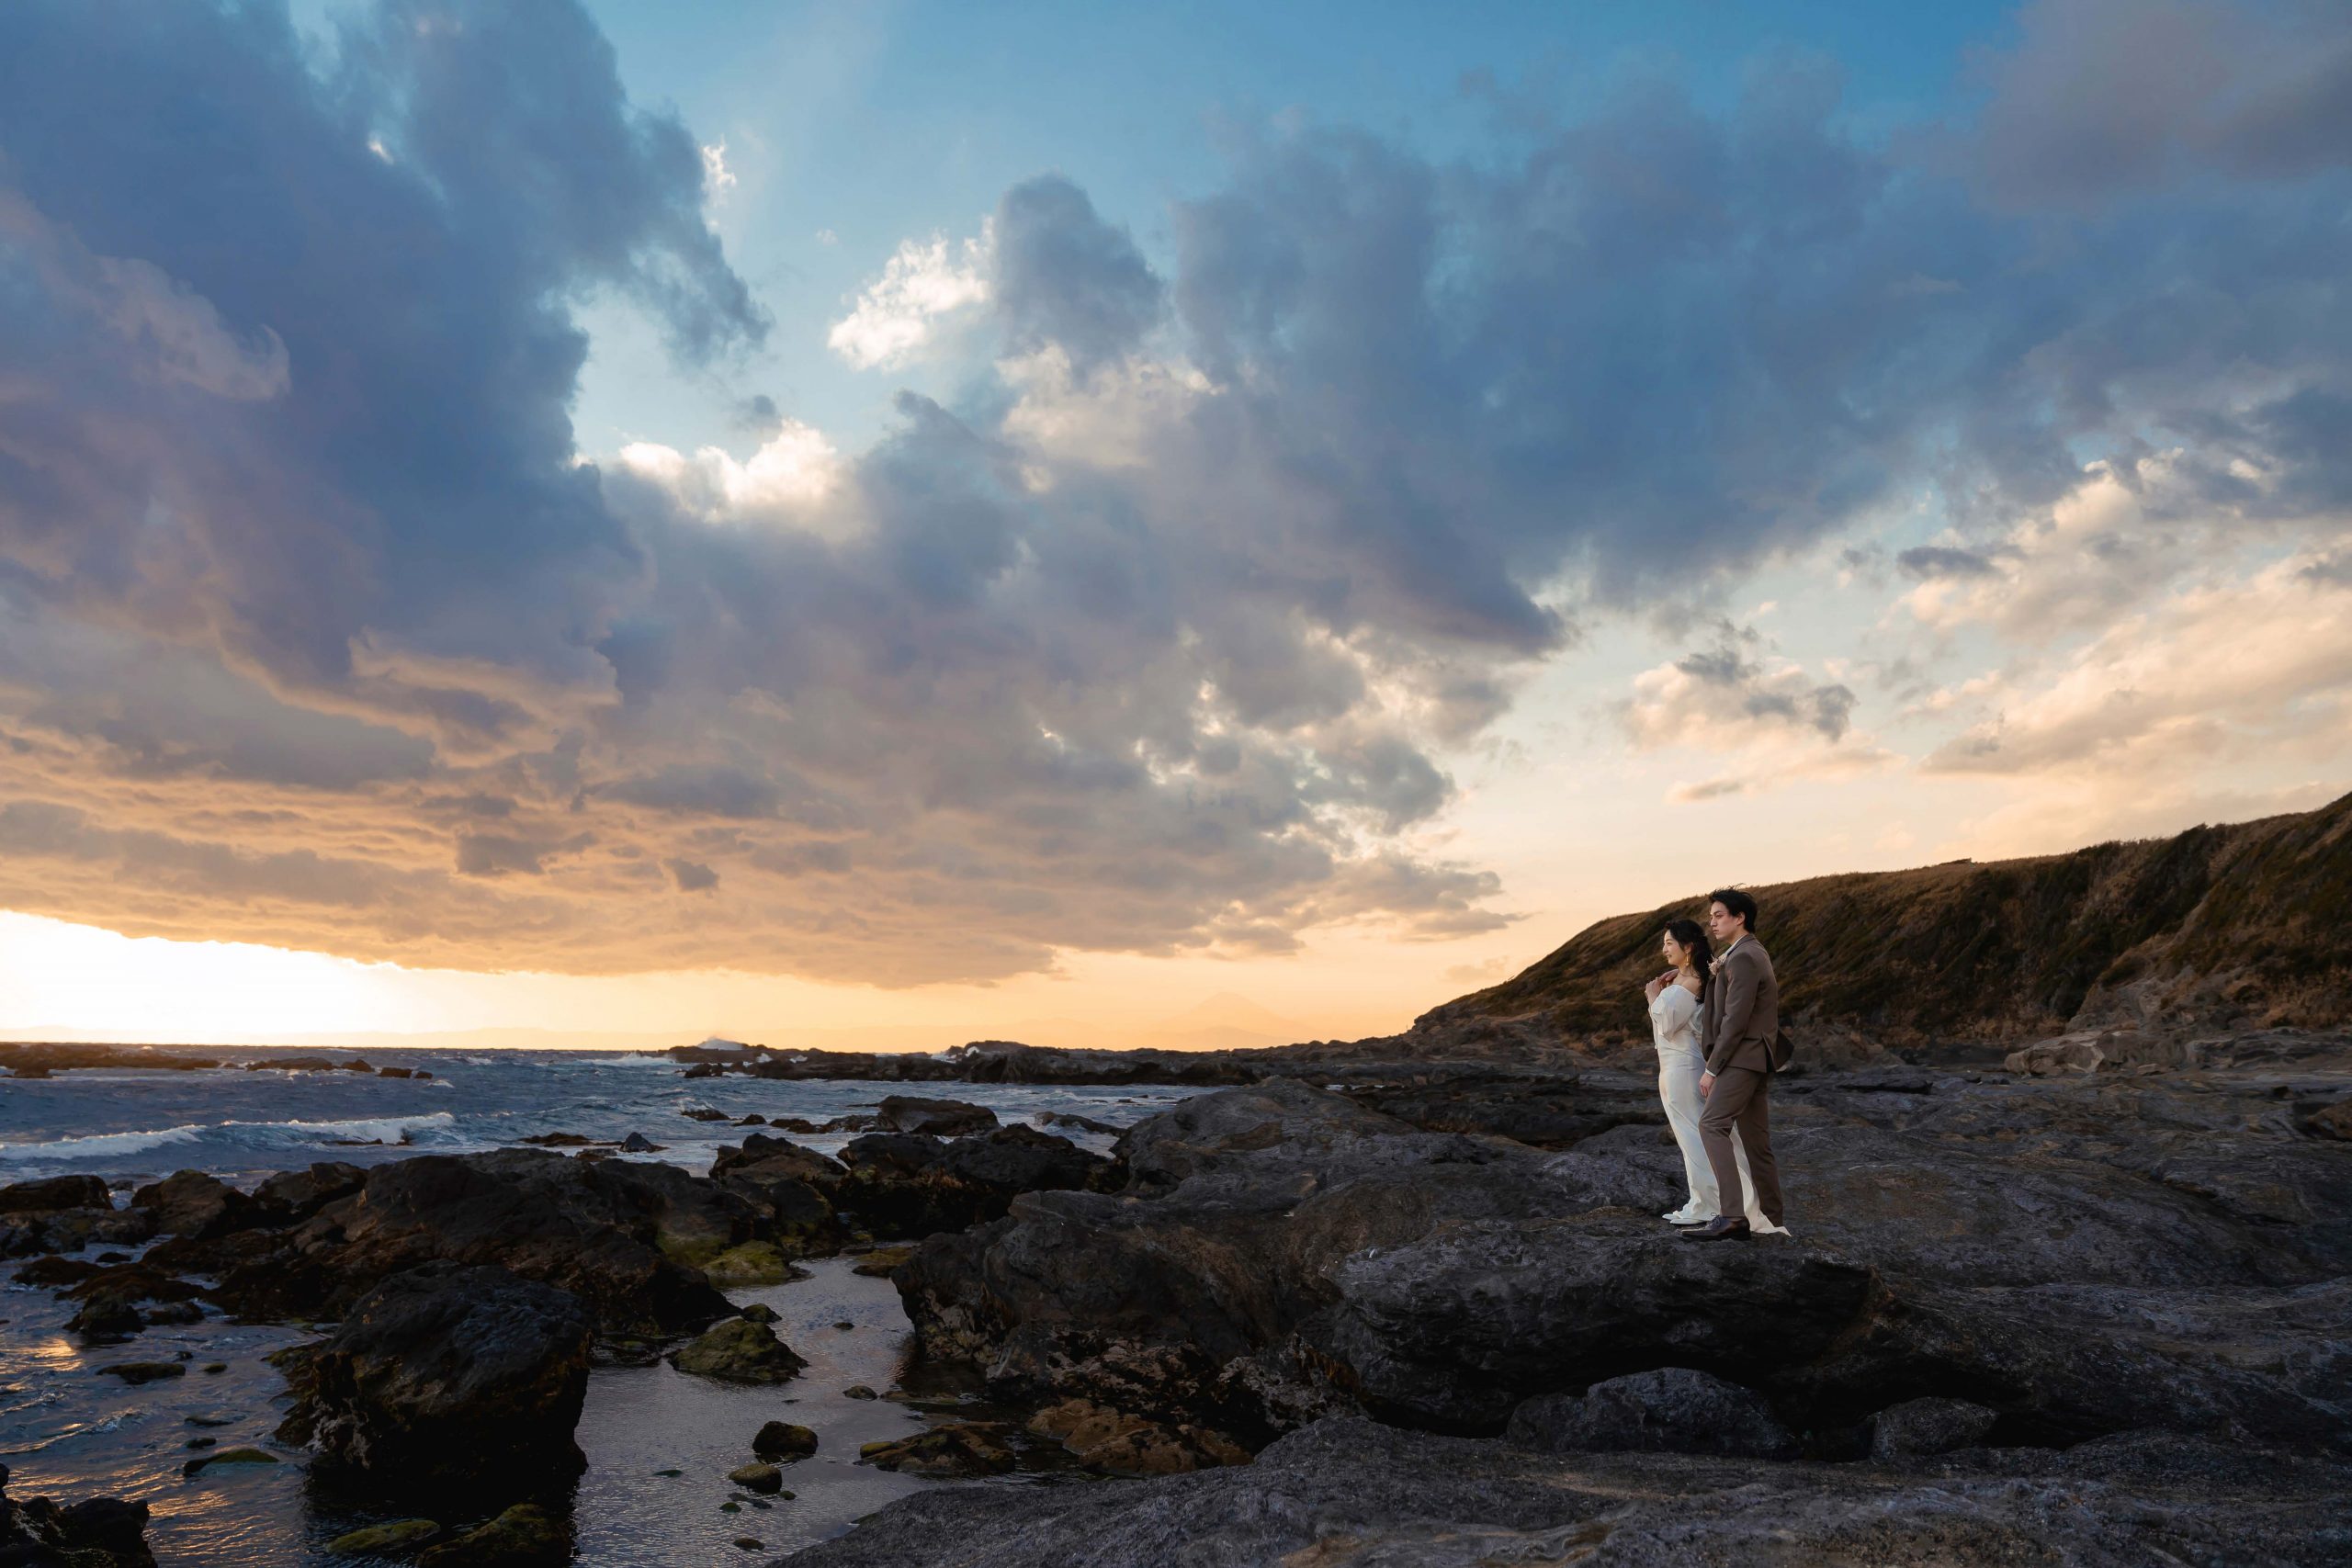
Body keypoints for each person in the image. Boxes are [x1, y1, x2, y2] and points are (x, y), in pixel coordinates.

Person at [1645, 919, 1769, 1229]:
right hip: (1673, 1067)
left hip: (1684, 1069)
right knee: (1689, 1138)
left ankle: (1712, 1203)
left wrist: (1651, 997)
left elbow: (1667, 1025)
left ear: (1687, 947)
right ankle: (1706, 1200)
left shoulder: (1693, 981)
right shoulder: (1684, 979)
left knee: (1695, 1136)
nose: (1664, 950)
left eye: (1669, 943)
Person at [1687, 887, 1788, 1241]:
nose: (1711, 922)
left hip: (1742, 1057)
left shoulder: (1744, 957)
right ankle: (1772, 1220)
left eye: (1718, 915)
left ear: (1739, 917)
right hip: (1753, 1057)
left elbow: (1736, 1019)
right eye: (1711, 916)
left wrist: (1713, 1067)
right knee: (1757, 1142)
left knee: (1711, 1124)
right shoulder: (1743, 952)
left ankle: (1732, 1216)